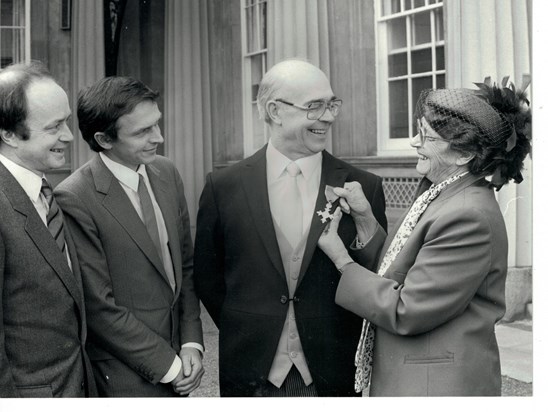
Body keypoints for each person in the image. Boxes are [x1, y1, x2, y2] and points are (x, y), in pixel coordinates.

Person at [318, 78, 532, 396]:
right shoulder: (442, 191)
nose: (413, 143)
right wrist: (364, 218)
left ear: (463, 155)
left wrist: (341, 261)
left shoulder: (467, 216)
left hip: (436, 387)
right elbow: (402, 270)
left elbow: (408, 308)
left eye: (426, 136)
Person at [194, 59, 387, 397]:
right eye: (315, 107)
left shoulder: (363, 186)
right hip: (252, 372)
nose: (328, 117)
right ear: (275, 111)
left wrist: (366, 224)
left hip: (331, 373)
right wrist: (254, 326)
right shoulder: (223, 186)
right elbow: (209, 279)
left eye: (331, 104)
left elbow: (379, 276)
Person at [54, 76, 204, 397]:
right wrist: (170, 365)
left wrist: (192, 344)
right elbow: (98, 306)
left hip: (181, 361)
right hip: (125, 377)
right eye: (143, 132)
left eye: (157, 124)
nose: (159, 138)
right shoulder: (74, 197)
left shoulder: (167, 173)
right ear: (104, 139)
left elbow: (185, 271)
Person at [0, 62, 96, 397]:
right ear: (8, 134)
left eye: (67, 121)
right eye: (54, 127)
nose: (69, 136)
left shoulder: (44, 191)